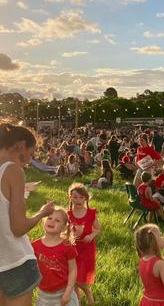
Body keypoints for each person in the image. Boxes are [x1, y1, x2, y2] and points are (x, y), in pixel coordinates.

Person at [0, 122, 57, 304]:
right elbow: (18, 228)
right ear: (21, 146)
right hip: (14, 261)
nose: (28, 162)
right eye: (30, 155)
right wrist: (42, 213)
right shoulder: (13, 170)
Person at [31, 207, 79, 306]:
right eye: (49, 218)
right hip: (44, 295)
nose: (52, 222)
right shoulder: (34, 246)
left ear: (64, 228)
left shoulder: (67, 247)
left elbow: (73, 269)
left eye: (57, 220)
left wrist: (69, 291)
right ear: (44, 221)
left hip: (63, 293)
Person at [67, 183, 100, 305]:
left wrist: (91, 235)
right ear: (70, 198)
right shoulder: (68, 214)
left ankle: (89, 294)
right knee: (74, 277)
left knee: (79, 277)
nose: (78, 200)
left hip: (87, 249)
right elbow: (65, 231)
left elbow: (98, 229)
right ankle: (77, 302)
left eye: (81, 197)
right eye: (75, 197)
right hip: (73, 249)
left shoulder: (91, 213)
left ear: (85, 198)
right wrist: (70, 235)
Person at [134, 224, 164, 306]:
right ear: (154, 242)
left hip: (147, 301)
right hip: (159, 303)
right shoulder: (161, 264)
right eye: (160, 235)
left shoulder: (143, 260)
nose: (163, 237)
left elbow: (153, 279)